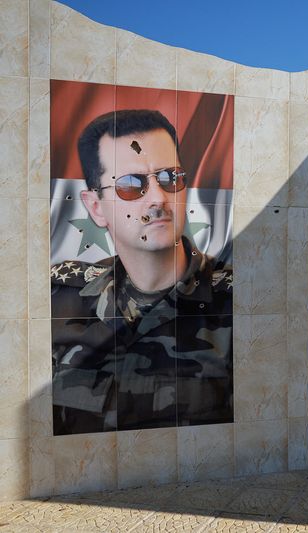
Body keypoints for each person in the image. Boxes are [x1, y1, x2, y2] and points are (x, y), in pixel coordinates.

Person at [50, 109, 233, 435]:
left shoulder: (241, 300)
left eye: (170, 178)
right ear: (95, 206)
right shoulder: (57, 295)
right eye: (131, 185)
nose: (159, 198)